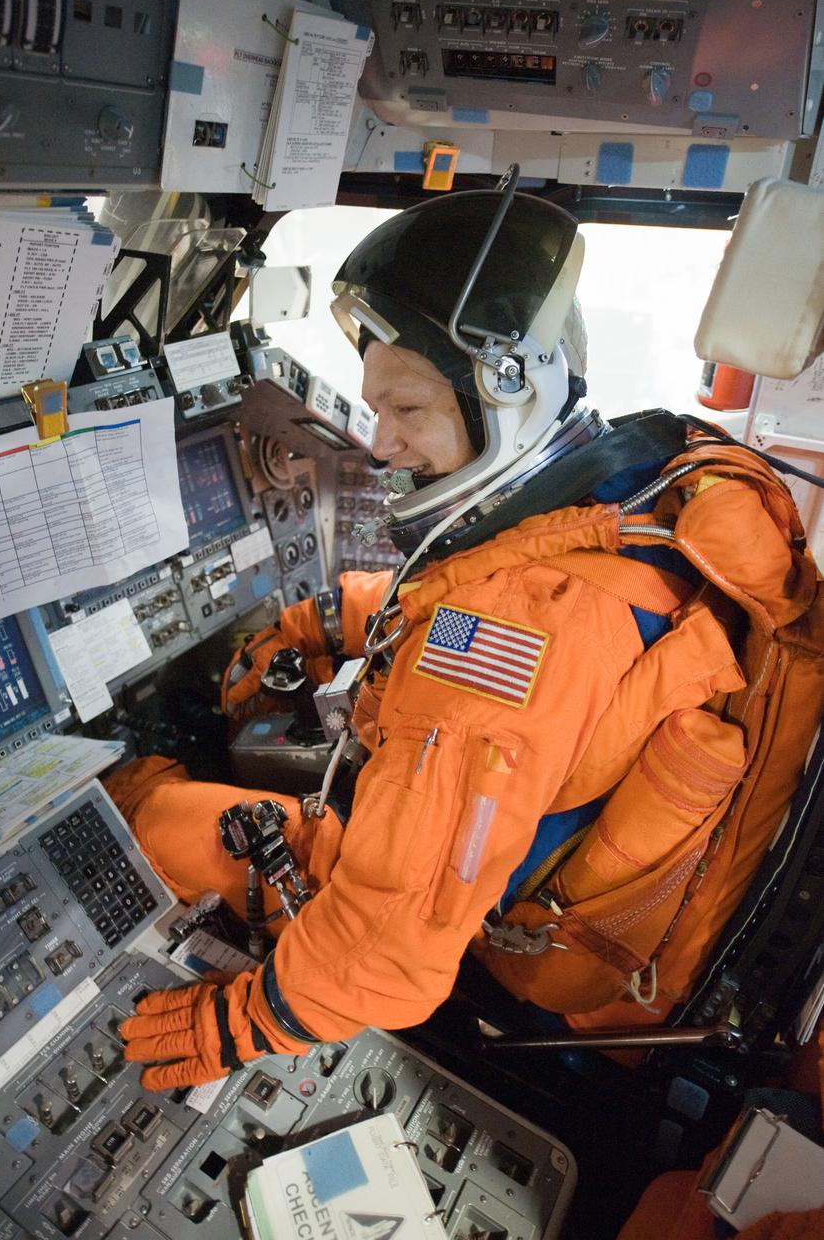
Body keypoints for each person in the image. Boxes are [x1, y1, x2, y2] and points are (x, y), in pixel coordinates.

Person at [112, 169, 822, 1091]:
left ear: (510, 393)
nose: (378, 443)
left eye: (406, 409)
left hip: (547, 950)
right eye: (377, 407)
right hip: (591, 862)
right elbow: (521, 588)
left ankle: (129, 792)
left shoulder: (509, 643)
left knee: (158, 816)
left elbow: (392, 938)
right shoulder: (650, 489)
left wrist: (247, 1020)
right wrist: (318, 619)